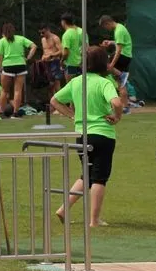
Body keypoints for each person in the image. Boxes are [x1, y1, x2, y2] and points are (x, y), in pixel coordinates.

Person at [52, 46, 123, 228]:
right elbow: (116, 102)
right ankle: (94, 220)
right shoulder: (104, 83)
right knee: (99, 178)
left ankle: (63, 209)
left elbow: (54, 100)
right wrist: (117, 117)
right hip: (103, 134)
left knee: (87, 175)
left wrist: (72, 115)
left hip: (81, 135)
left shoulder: (76, 82)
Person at [0, 23, 37, 112]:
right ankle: (16, 112)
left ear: (3, 32)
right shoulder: (20, 38)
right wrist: (28, 57)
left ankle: (1, 111)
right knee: (18, 90)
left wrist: (0, 68)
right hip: (20, 65)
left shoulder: (2, 41)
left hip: (7, 66)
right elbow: (34, 46)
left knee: (4, 90)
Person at [98, 15, 134, 87]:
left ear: (107, 23)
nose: (106, 29)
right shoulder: (119, 27)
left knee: (104, 64)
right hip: (126, 56)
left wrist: (112, 65)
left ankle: (122, 75)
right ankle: (124, 87)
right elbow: (121, 43)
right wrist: (110, 42)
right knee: (119, 82)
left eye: (105, 27)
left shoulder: (118, 31)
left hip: (123, 56)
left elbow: (118, 50)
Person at [38, 24, 65, 95]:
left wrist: (51, 55)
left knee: (56, 83)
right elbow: (45, 50)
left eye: (43, 32)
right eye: (40, 33)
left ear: (48, 30)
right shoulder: (43, 39)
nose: (41, 34)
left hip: (54, 62)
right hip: (46, 63)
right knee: (49, 84)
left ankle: (59, 99)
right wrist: (43, 56)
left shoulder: (55, 38)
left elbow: (61, 51)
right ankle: (51, 100)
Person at [60, 13, 86, 82]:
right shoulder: (75, 32)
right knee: (78, 84)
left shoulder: (66, 34)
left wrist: (61, 61)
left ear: (63, 22)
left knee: (70, 84)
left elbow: (66, 52)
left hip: (70, 64)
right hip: (78, 63)